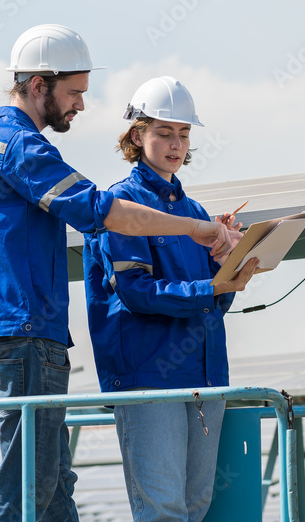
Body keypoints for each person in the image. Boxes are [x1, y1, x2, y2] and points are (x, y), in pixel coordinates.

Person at [0, 26, 235, 522]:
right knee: (28, 485)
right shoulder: (20, 149)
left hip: (15, 329)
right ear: (38, 86)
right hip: (27, 329)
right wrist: (198, 230)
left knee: (51, 483)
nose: (80, 104)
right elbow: (102, 212)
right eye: (74, 92)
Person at [84, 76, 258, 522]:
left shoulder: (195, 213)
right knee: (162, 510)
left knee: (196, 506)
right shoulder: (121, 204)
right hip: (150, 376)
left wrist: (232, 274)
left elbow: (211, 302)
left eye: (183, 134)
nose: (175, 143)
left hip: (205, 372)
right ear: (137, 135)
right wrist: (211, 288)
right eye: (164, 132)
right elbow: (137, 293)